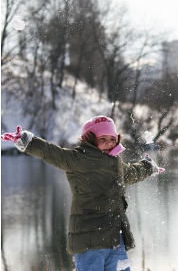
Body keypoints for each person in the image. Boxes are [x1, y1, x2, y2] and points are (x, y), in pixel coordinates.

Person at [1, 115, 165, 271]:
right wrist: (27, 142)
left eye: (112, 139)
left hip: (115, 239)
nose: (108, 143)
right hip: (89, 241)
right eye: (103, 139)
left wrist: (148, 167)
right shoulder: (78, 158)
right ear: (91, 140)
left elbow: (130, 173)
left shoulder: (116, 163)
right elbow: (52, 153)